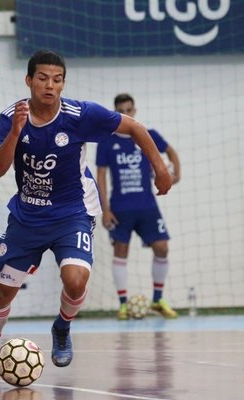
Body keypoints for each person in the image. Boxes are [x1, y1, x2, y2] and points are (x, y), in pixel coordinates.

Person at [0, 50, 172, 376]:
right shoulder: (11, 116)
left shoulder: (80, 114)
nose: (50, 86)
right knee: (3, 291)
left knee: (75, 281)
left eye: (57, 80)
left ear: (63, 83)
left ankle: (61, 328)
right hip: (27, 216)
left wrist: (160, 168)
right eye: (43, 79)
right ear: (29, 81)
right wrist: (16, 133)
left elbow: (135, 128)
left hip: (73, 212)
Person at [96, 93, 181, 320]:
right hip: (120, 207)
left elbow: (170, 151)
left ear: (135, 111)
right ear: (115, 113)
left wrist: (176, 173)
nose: (127, 114)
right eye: (121, 110)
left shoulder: (147, 135)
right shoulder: (106, 141)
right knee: (120, 251)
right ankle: (123, 304)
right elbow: (101, 176)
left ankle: (157, 299)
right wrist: (105, 209)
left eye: (130, 110)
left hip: (147, 206)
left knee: (162, 247)